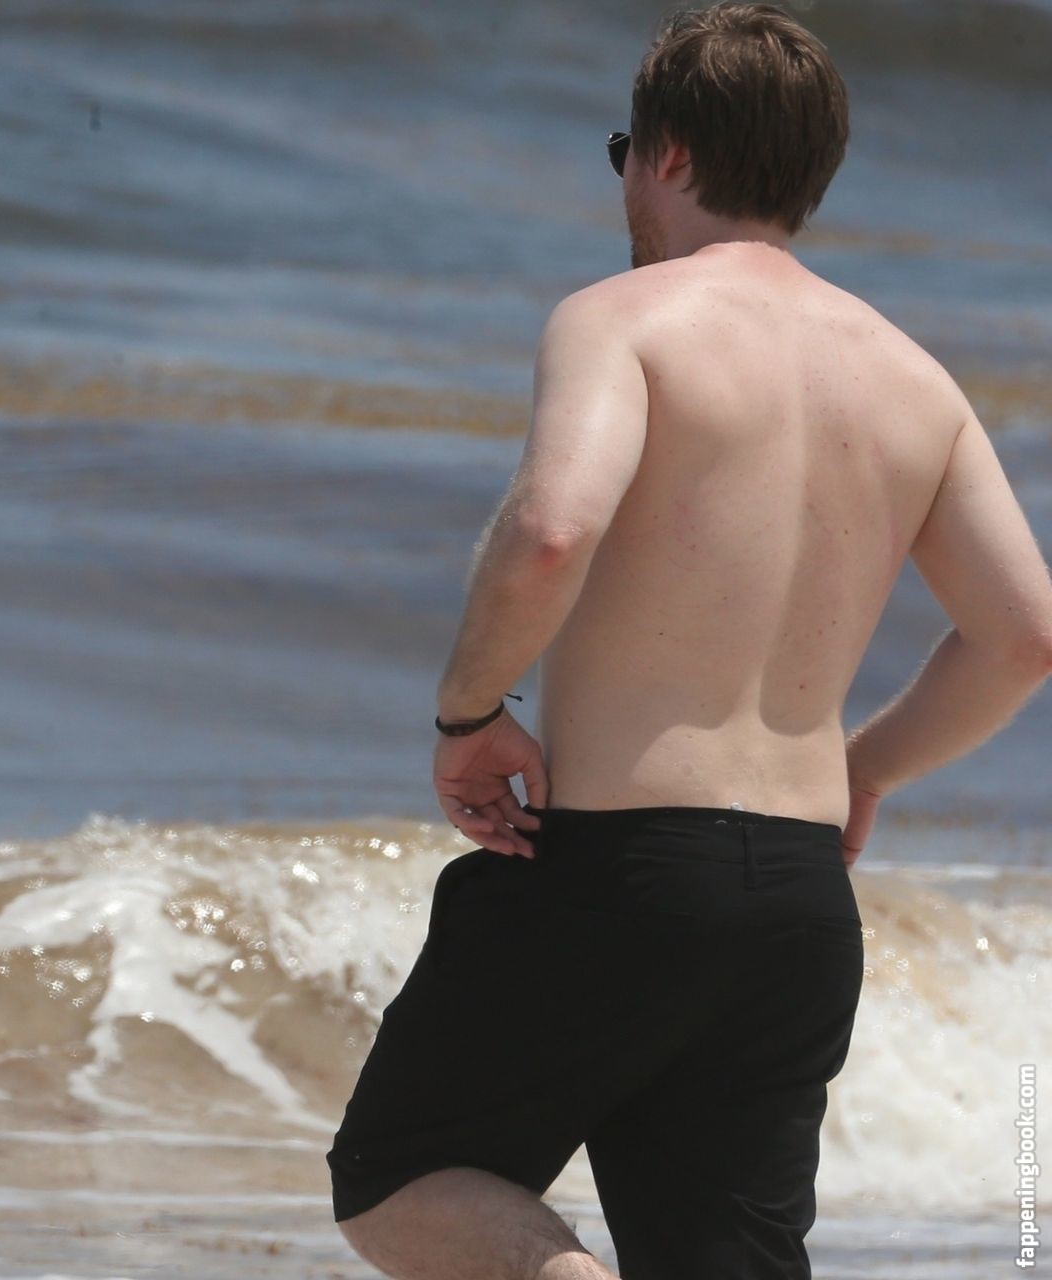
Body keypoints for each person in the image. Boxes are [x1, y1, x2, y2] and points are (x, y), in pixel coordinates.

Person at [327, 5, 1052, 1278]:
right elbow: (1025, 636)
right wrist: (865, 769)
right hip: (799, 907)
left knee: (395, 1179)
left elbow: (552, 530)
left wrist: (469, 712)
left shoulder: (624, 320)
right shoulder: (918, 383)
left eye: (625, 153)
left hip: (623, 872)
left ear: (667, 153)